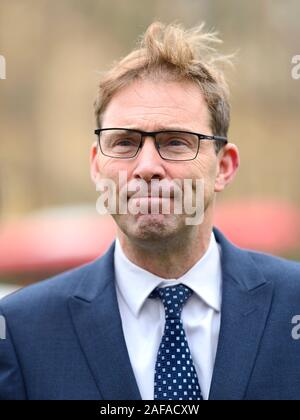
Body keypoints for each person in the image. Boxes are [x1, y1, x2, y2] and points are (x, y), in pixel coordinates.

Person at [0, 21, 300, 401]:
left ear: (223, 166)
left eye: (175, 142)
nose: (146, 166)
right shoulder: (22, 331)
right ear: (96, 165)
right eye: (124, 143)